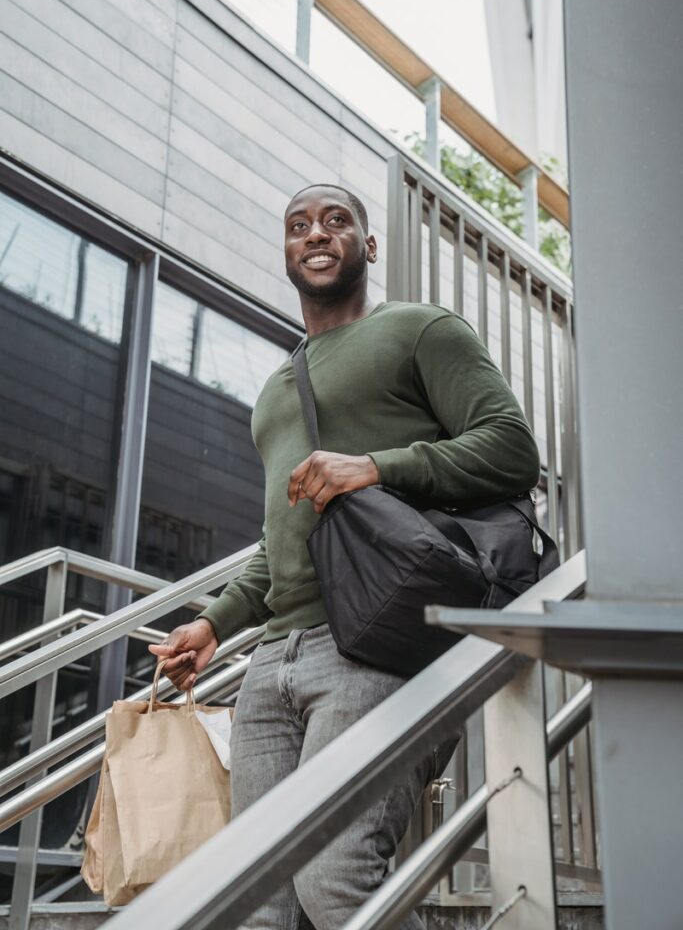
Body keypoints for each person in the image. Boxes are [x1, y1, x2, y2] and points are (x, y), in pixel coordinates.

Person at [149, 184, 540, 929]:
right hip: (271, 661)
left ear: (369, 244)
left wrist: (379, 465)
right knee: (258, 902)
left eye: (336, 220)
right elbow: (291, 528)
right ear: (287, 252)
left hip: (377, 642)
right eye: (298, 226)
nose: (316, 234)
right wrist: (216, 623)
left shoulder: (420, 331)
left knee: (335, 881)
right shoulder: (272, 390)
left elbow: (512, 450)